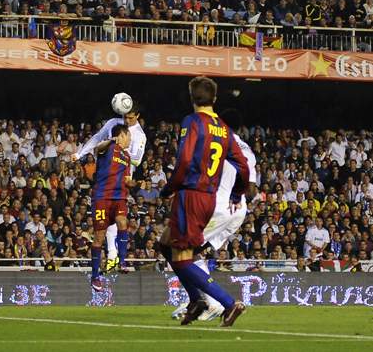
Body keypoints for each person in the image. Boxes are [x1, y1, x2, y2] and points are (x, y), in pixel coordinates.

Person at [159, 76, 250, 327]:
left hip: (191, 194)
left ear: (191, 98)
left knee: (183, 258)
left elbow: (185, 159)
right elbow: (243, 166)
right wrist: (237, 193)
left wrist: (170, 187)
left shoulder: (193, 121)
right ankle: (195, 300)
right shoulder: (223, 128)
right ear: (215, 99)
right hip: (209, 197)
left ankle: (228, 303)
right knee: (166, 244)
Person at [172, 133, 256, 321]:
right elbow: (251, 189)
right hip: (239, 210)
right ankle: (200, 301)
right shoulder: (247, 150)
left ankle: (212, 303)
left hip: (218, 206)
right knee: (194, 253)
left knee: (184, 252)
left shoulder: (215, 140)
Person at [73, 96, 147, 273]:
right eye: (125, 117)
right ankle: (112, 255)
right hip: (104, 173)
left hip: (122, 177)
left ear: (137, 115)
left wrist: (121, 150)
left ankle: (114, 255)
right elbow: (98, 138)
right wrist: (80, 153)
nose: (127, 121)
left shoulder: (139, 135)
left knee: (119, 219)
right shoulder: (114, 122)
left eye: (130, 118)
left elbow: (136, 160)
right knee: (107, 221)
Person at [90, 124, 133, 291]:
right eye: (128, 136)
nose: (130, 139)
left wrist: (136, 183)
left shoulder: (127, 157)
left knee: (123, 222)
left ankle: (122, 261)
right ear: (122, 135)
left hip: (119, 196)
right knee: (99, 237)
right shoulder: (108, 147)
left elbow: (128, 180)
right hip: (102, 196)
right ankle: (95, 276)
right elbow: (96, 148)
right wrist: (110, 141)